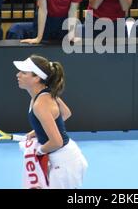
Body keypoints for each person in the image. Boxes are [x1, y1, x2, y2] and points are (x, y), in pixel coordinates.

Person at [13, 55, 88, 189]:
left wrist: (37, 152)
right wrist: (37, 131)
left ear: (36, 78)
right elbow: (66, 113)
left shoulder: (40, 103)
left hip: (64, 163)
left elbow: (57, 142)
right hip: (65, 158)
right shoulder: (44, 93)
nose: (18, 75)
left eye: (24, 73)